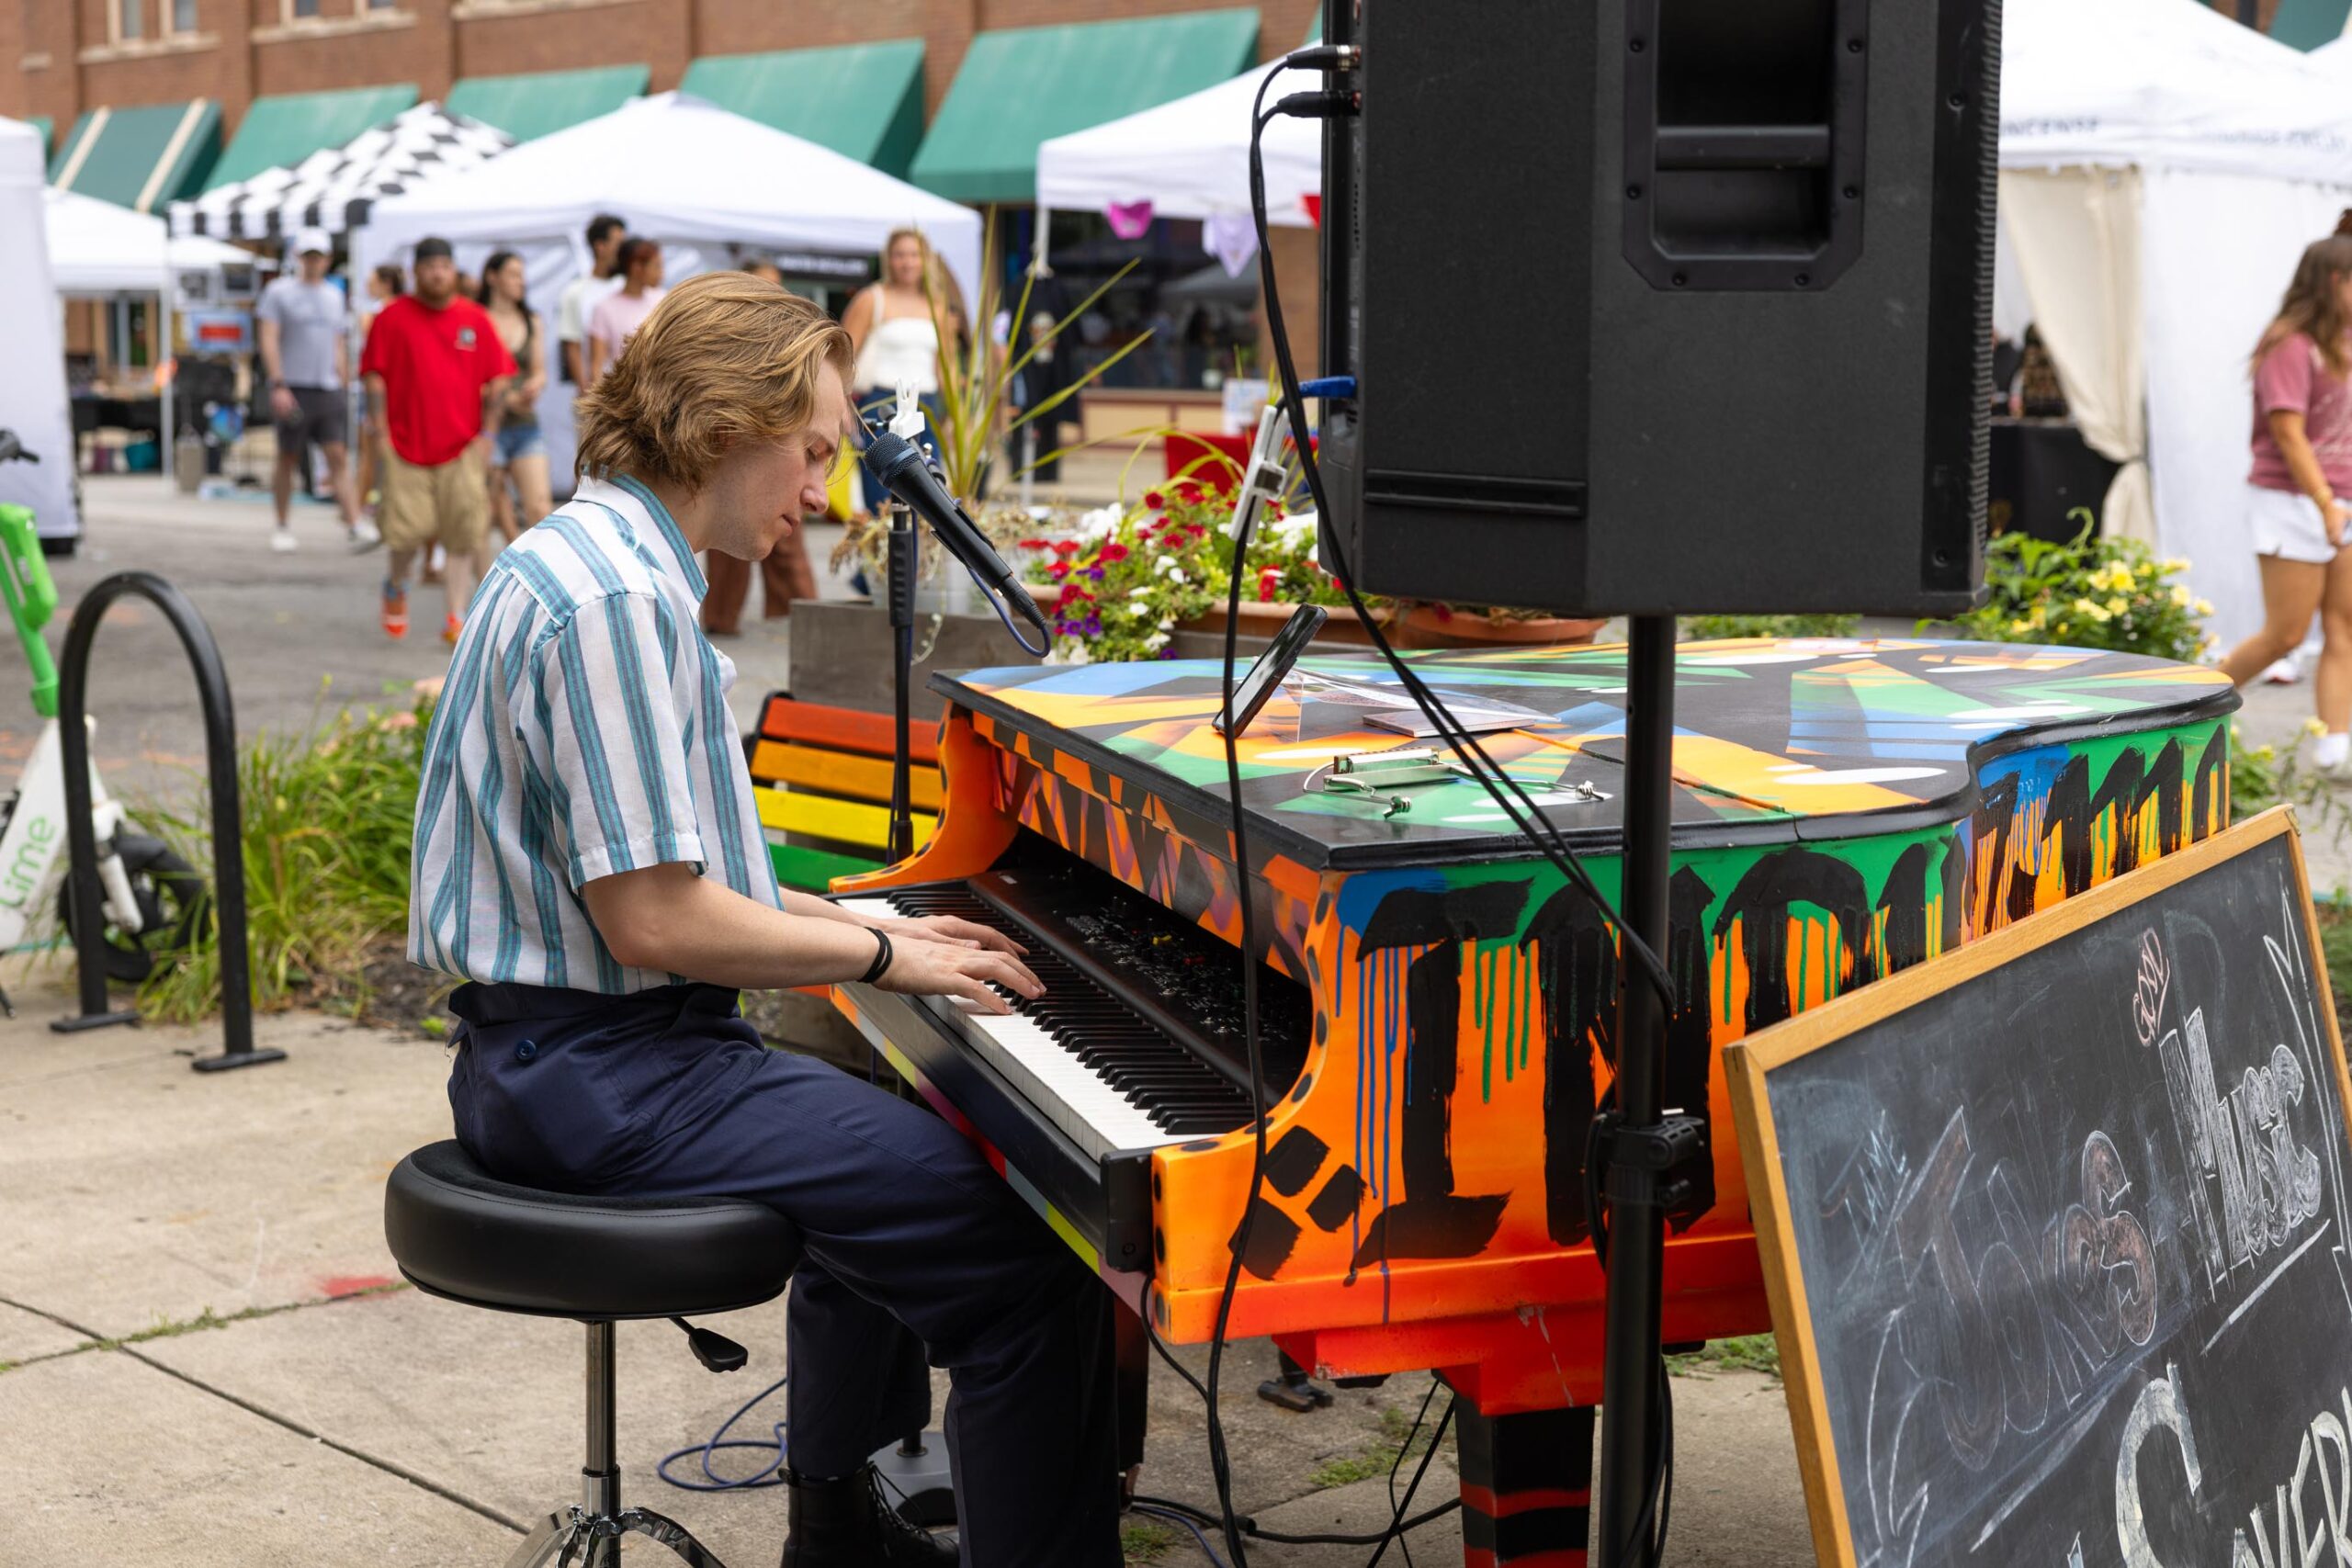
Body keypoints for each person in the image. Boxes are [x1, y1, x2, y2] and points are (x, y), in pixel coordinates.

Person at [407, 272, 1120, 1568]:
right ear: (730, 422)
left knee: (884, 1165)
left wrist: (872, 913)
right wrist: (889, 949)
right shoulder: (620, 603)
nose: (819, 493)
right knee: (1029, 1250)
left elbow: (687, 870)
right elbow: (658, 918)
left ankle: (835, 1528)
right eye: (812, 453)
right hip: (599, 1070)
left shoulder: (585, 555)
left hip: (567, 1055)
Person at [2218, 234, 2352, 770]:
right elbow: (2289, 433)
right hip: (2292, 500)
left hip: (2340, 499)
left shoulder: (2343, 341)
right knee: (2285, 635)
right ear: (2335, 283)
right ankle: (2182, 713)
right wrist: (2323, 502)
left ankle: (2335, 747)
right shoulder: (2289, 344)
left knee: (2344, 626)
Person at [359, 236, 514, 644]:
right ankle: (396, 584)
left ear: (453, 269)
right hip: (406, 444)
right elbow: (373, 374)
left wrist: (488, 436)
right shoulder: (391, 318)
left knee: (464, 531)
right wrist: (380, 432)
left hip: (462, 446)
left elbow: (498, 378)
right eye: (430, 267)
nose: (438, 273)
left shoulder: (475, 319)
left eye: (444, 266)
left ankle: (456, 614)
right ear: (416, 272)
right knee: (406, 533)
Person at [702, 261, 821, 635]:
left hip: (783, 446)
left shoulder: (794, 337)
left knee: (789, 534)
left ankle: (806, 617)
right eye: (764, 286)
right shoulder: (725, 331)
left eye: (777, 287)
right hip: (734, 446)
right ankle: (721, 619)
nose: (774, 295)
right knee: (727, 536)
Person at [256, 228, 375, 553]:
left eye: (318, 256)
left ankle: (353, 522)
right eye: (307, 256)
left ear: (327, 259)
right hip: (293, 385)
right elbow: (268, 337)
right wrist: (278, 382)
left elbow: (336, 341)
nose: (312, 262)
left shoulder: (334, 295)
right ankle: (281, 524)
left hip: (327, 387)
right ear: (298, 257)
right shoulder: (279, 292)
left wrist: (344, 376)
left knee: (337, 454)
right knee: (288, 456)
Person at [846, 228, 954, 514]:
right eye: (900, 255)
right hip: (882, 405)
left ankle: (919, 560)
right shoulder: (872, 298)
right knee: (883, 502)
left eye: (914, 255)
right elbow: (843, 357)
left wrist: (957, 415)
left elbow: (945, 365)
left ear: (925, 259)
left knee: (931, 500)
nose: (907, 262)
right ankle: (884, 559)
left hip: (925, 407)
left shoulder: (938, 305)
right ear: (889, 260)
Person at [477, 251, 551, 545]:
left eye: (522, 274)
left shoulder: (531, 319)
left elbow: (539, 371)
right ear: (492, 277)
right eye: (513, 274)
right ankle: (514, 563)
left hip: (523, 421)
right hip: (485, 425)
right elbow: (466, 376)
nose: (521, 281)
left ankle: (542, 570)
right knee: (494, 506)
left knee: (540, 507)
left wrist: (535, 385)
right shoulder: (476, 318)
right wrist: (504, 399)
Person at [355, 263, 404, 521]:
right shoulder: (404, 313)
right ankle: (375, 502)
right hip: (397, 392)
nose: (367, 285)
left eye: (371, 280)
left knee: (370, 453)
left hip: (381, 391)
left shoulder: (374, 315)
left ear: (385, 283)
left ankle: (362, 505)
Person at [557, 213, 628, 389]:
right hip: (598, 394)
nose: (624, 251)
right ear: (600, 246)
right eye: (619, 244)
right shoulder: (575, 293)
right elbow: (573, 346)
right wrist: (587, 393)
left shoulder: (627, 287)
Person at [585, 237, 665, 382]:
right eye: (657, 266)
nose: (662, 273)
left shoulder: (662, 301)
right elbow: (596, 366)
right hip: (624, 397)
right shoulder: (605, 308)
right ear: (637, 268)